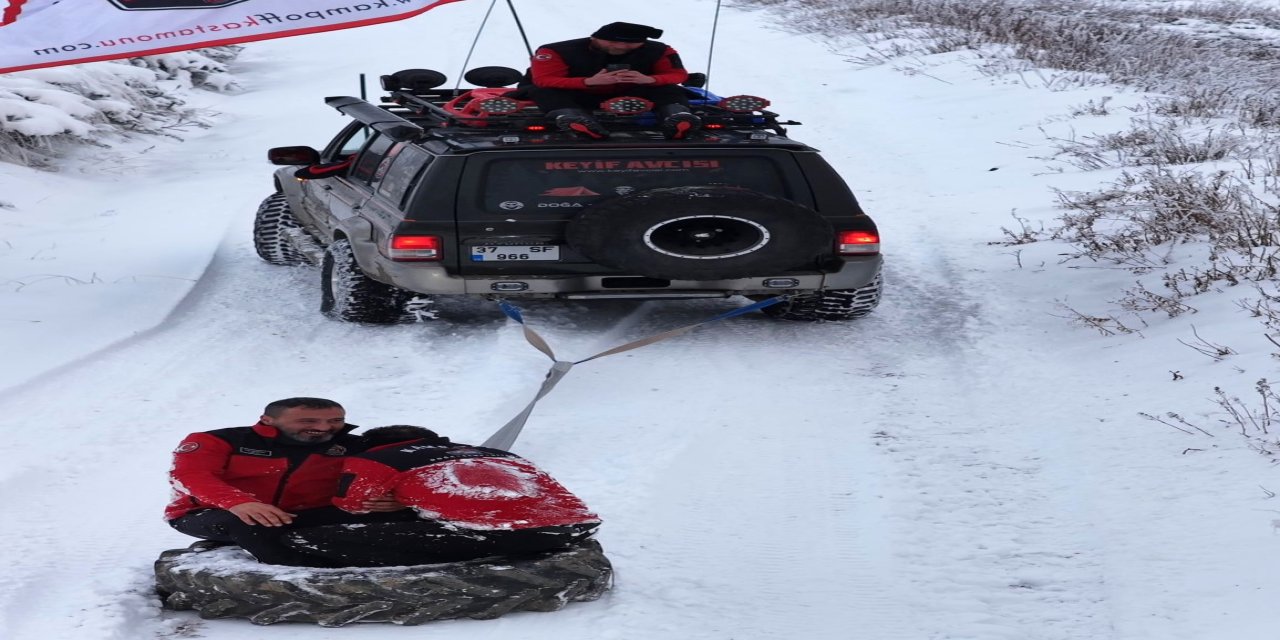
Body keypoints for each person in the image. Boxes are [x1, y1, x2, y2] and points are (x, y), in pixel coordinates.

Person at [281, 426, 601, 567]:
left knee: (308, 539)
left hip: (498, 535)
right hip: (575, 527)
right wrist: (412, 499)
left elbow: (353, 505)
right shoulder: (496, 452)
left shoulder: (375, 459)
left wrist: (401, 502)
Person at [165, 397, 415, 567]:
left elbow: (404, 468)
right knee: (250, 523)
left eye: (335, 421)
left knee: (412, 517)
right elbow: (190, 476)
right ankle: (304, 574)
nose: (324, 427)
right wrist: (239, 503)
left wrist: (400, 501)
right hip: (216, 513)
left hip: (304, 515)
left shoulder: (353, 444)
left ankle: (402, 564)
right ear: (267, 419)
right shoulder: (217, 440)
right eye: (308, 421)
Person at [527, 21, 702, 140]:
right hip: (578, 95)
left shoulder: (660, 50)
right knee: (545, 92)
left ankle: (677, 118)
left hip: (635, 93)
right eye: (611, 41)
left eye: (630, 44)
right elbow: (544, 80)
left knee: (670, 89)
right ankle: (574, 120)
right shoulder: (555, 50)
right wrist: (588, 82)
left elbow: (678, 75)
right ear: (594, 37)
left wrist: (650, 79)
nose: (620, 46)